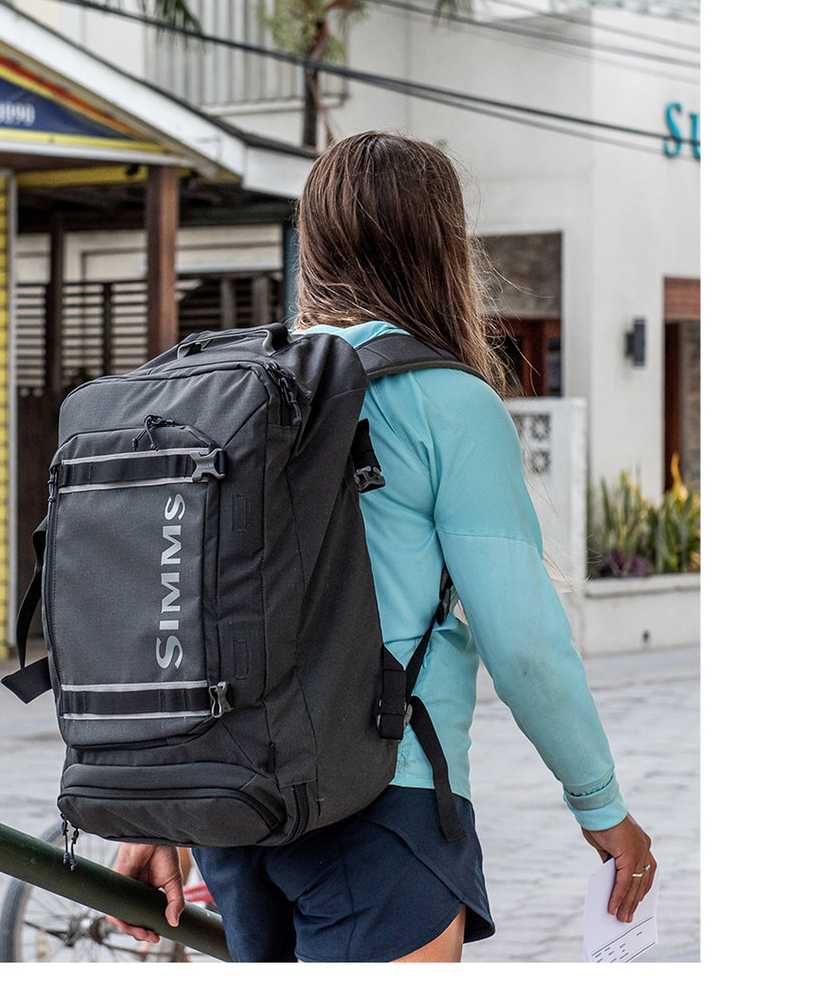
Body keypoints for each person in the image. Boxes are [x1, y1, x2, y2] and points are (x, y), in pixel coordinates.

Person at [109, 130, 656, 963]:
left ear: (314, 244)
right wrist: (601, 804)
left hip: (239, 819)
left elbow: (184, 606)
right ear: (442, 249)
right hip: (381, 807)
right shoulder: (446, 402)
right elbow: (523, 643)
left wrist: (163, 812)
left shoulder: (243, 393)